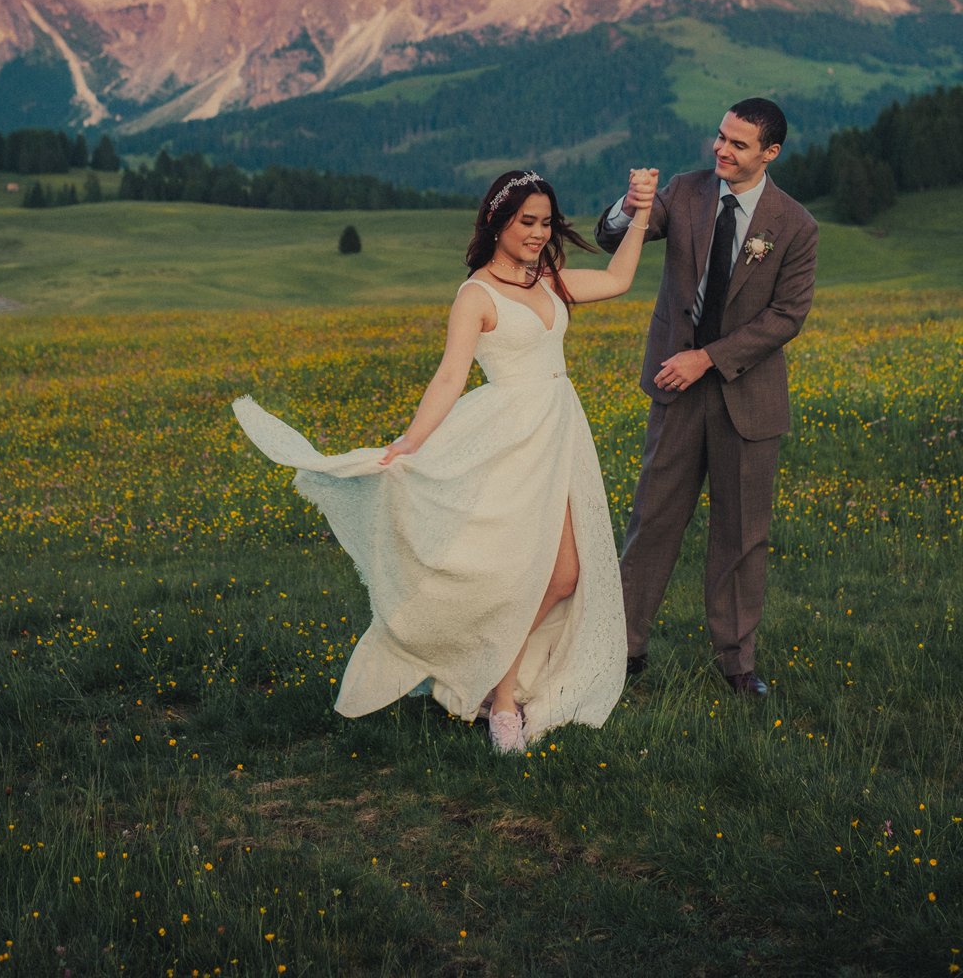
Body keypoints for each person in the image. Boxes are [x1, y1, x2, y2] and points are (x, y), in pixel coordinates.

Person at [234, 164, 658, 752]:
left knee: (563, 575)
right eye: (526, 222)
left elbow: (616, 278)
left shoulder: (549, 277)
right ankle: (503, 700)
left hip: (558, 432)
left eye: (545, 223)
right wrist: (411, 441)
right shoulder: (476, 294)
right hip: (507, 440)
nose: (538, 234)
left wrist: (640, 213)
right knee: (519, 574)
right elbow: (449, 377)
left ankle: (486, 671)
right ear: (497, 222)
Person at [595, 98, 818, 697]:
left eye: (738, 144)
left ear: (769, 153)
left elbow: (787, 316)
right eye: (720, 137)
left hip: (747, 398)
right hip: (675, 388)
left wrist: (709, 359)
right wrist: (632, 204)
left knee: (742, 533)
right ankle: (621, 649)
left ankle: (736, 663)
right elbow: (610, 233)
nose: (721, 149)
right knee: (652, 520)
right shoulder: (687, 191)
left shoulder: (794, 224)